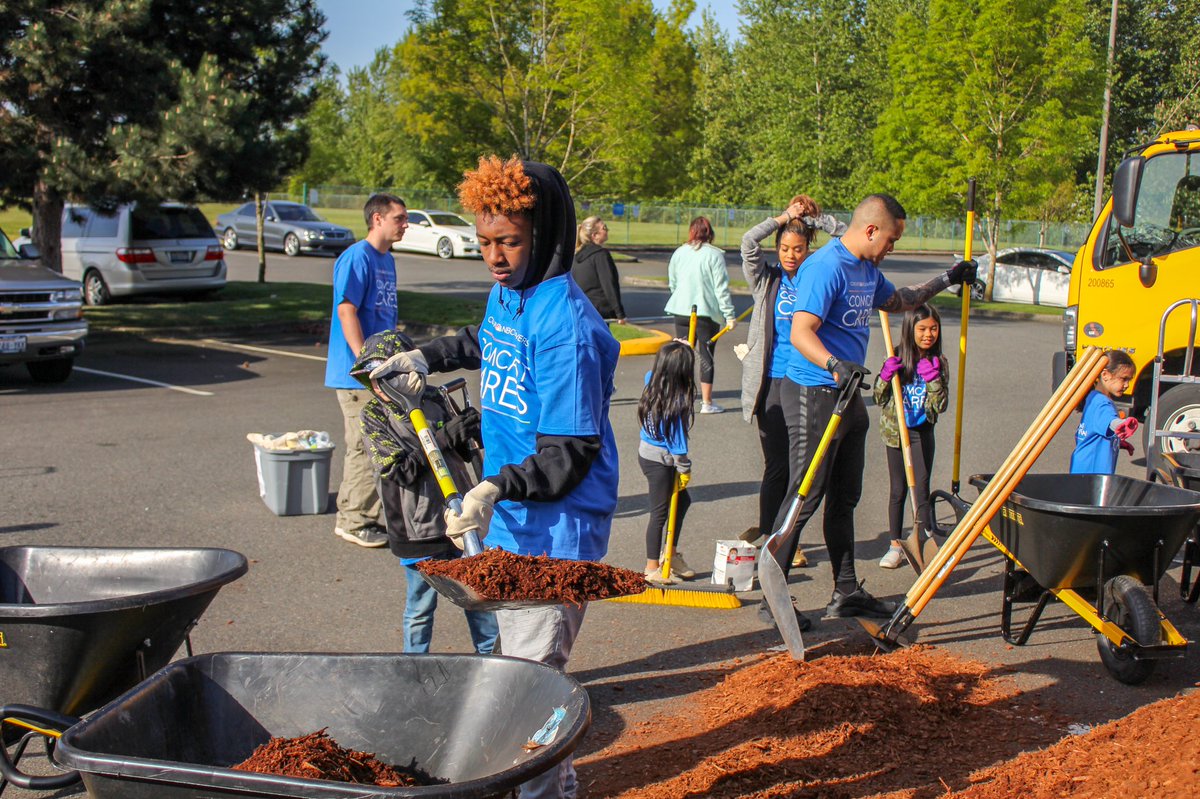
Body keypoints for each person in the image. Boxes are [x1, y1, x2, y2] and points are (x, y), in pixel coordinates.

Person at [368, 155, 619, 799]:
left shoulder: (566, 322)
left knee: (530, 689)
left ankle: (543, 792)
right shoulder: (511, 292)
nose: (494, 257)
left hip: (556, 528)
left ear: (545, 236)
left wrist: (488, 489)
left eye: (509, 242)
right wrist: (423, 356)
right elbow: (487, 340)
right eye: (484, 242)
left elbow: (570, 452)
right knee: (517, 675)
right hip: (511, 514)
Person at [764, 193, 977, 628]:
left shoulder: (866, 268)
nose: (892, 247)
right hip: (813, 391)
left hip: (847, 396)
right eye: (892, 239)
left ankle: (845, 591)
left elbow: (900, 300)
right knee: (804, 498)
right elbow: (802, 333)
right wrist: (833, 363)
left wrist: (949, 277)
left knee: (845, 497)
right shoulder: (825, 267)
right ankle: (774, 595)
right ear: (870, 230)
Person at [350, 330, 499, 655]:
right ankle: (414, 666)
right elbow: (397, 469)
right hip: (417, 530)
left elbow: (458, 456)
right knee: (419, 609)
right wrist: (443, 437)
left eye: (392, 374)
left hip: (459, 521)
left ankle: (492, 661)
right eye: (374, 378)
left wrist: (467, 432)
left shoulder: (434, 399)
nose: (382, 384)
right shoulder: (374, 416)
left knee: (480, 602)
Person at [738, 195, 846, 557]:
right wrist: (785, 216)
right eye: (785, 247)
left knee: (801, 469)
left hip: (806, 381)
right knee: (776, 466)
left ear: (807, 249)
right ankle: (771, 537)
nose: (790, 255)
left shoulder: (819, 275)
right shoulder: (765, 280)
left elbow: (847, 239)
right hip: (771, 382)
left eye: (798, 248)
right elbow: (748, 242)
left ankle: (787, 540)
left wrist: (816, 220)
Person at [324, 193, 409, 548]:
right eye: (400, 218)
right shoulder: (357, 258)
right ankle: (353, 519)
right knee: (361, 445)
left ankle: (370, 515)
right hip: (357, 374)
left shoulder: (386, 259)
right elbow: (347, 312)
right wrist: (365, 363)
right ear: (377, 219)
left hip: (379, 370)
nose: (406, 224)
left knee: (378, 443)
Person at [873, 305, 949, 569]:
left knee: (922, 487)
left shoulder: (938, 362)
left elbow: (941, 406)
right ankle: (895, 544)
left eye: (933, 329)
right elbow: (878, 398)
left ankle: (925, 536)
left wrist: (934, 379)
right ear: (910, 330)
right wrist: (885, 376)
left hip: (922, 431)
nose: (928, 334)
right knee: (898, 489)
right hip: (897, 432)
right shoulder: (895, 356)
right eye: (922, 329)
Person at [665, 216, 737, 414]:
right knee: (706, 356)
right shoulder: (714, 255)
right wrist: (729, 315)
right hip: (705, 312)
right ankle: (706, 402)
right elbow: (720, 288)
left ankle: (679, 398)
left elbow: (673, 281)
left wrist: (680, 297)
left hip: (681, 309)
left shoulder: (679, 252)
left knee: (682, 355)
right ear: (710, 233)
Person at [638, 340, 697, 583]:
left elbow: (658, 367)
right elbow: (678, 446)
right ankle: (651, 567)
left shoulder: (652, 380)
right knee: (660, 513)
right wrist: (685, 469)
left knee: (682, 502)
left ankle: (670, 554)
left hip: (649, 455)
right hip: (661, 462)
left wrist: (676, 346)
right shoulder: (676, 404)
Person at [1070, 350, 1138, 474]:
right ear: (1105, 375)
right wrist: (1121, 425)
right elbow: (1110, 421)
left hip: (1083, 469)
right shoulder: (1103, 404)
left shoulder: (1094, 397)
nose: (1127, 385)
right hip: (1091, 474)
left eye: (1129, 380)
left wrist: (1118, 442)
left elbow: (1096, 430)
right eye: (1123, 379)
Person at [573, 216, 627, 323]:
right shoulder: (600, 255)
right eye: (604, 228)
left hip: (581, 309)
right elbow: (609, 284)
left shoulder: (576, 255)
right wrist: (620, 314)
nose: (607, 230)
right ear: (594, 235)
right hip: (600, 312)